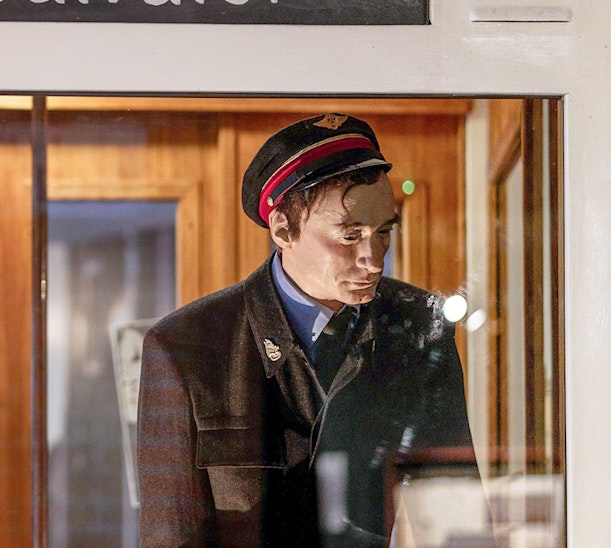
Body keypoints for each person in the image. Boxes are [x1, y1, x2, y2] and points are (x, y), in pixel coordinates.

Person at [136, 113, 478, 547]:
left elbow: (459, 517)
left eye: (384, 232)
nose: (374, 259)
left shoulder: (420, 327)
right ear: (283, 229)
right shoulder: (184, 349)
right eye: (350, 235)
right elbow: (171, 537)